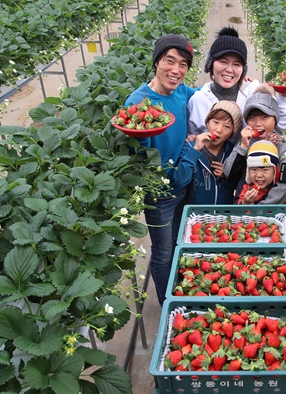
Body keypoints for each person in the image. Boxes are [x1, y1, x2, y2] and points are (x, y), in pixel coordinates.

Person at [123, 34, 197, 306]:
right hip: (159, 193)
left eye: (183, 64)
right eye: (169, 61)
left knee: (181, 241)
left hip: (185, 184)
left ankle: (181, 288)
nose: (176, 70)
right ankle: (169, 303)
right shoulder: (138, 102)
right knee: (163, 252)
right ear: (157, 61)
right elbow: (138, 158)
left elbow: (203, 94)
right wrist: (141, 138)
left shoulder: (181, 91)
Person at [187, 26, 286, 137]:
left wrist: (284, 97)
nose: (229, 70)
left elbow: (282, 126)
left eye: (236, 64)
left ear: (244, 69)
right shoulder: (198, 100)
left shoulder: (254, 92)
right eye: (223, 62)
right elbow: (194, 138)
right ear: (210, 64)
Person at [225, 84, 286, 207]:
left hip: (276, 208)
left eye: (265, 117)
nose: (258, 124)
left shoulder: (283, 148)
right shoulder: (246, 142)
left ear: (275, 118)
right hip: (244, 204)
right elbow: (227, 172)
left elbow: (285, 185)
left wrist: (259, 207)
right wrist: (242, 147)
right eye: (252, 118)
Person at [172, 100, 243, 204]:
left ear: (232, 132)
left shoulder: (233, 153)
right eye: (215, 122)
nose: (219, 129)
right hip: (194, 215)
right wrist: (195, 151)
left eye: (226, 126)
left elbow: (239, 185)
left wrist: (227, 175)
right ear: (207, 122)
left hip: (223, 215)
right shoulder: (190, 148)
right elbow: (179, 180)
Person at [236, 140, 286, 207]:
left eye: (265, 170)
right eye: (254, 169)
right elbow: (236, 213)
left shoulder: (281, 191)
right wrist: (245, 203)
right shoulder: (246, 188)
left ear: (275, 171)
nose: (259, 175)